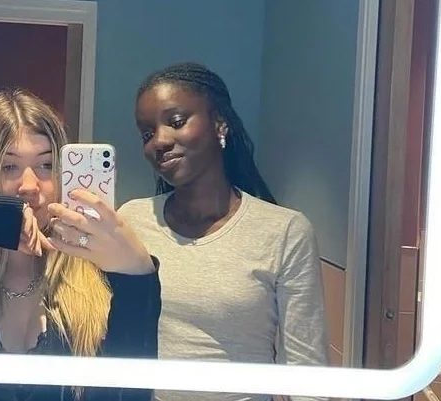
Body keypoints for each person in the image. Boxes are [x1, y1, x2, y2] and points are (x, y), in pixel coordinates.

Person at [118, 62, 328, 401]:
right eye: (147, 133)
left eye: (176, 122)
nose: (159, 141)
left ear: (219, 123)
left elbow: (306, 371)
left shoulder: (285, 232)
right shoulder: (131, 221)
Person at [0, 89, 161, 401]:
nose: (29, 186)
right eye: (8, 167)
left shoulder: (98, 285)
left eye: (46, 165)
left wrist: (137, 278)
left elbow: (128, 396)